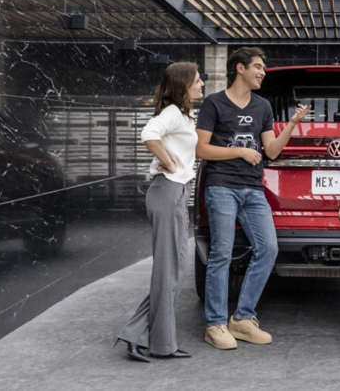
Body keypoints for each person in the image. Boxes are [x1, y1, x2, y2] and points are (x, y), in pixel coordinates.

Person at [196, 47, 310, 350]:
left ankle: (243, 319)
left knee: (268, 249)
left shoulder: (262, 106)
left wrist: (293, 124)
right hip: (222, 186)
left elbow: (271, 151)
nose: (262, 71)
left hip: (253, 189)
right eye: (258, 66)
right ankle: (215, 324)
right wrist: (240, 151)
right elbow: (201, 150)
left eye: (263, 66)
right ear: (240, 68)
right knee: (221, 253)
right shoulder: (213, 103)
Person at [116, 62, 204, 362]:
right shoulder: (170, 113)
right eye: (197, 80)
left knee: (174, 271)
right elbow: (148, 134)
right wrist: (168, 160)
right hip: (167, 191)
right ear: (183, 85)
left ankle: (144, 337)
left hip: (176, 193)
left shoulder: (182, 115)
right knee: (169, 271)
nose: (202, 83)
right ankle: (150, 340)